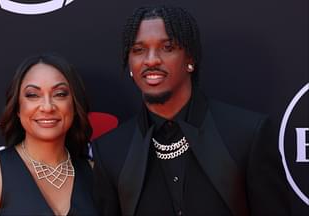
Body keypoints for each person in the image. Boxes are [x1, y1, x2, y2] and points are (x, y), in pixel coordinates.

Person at [92, 5, 291, 216]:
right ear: (130, 63)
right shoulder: (111, 151)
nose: (151, 60)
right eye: (139, 50)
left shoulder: (247, 135)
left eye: (167, 47)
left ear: (190, 59)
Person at [0, 53, 98, 215]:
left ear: (74, 105)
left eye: (60, 94)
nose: (47, 107)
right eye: (33, 95)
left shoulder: (95, 174)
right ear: (18, 107)